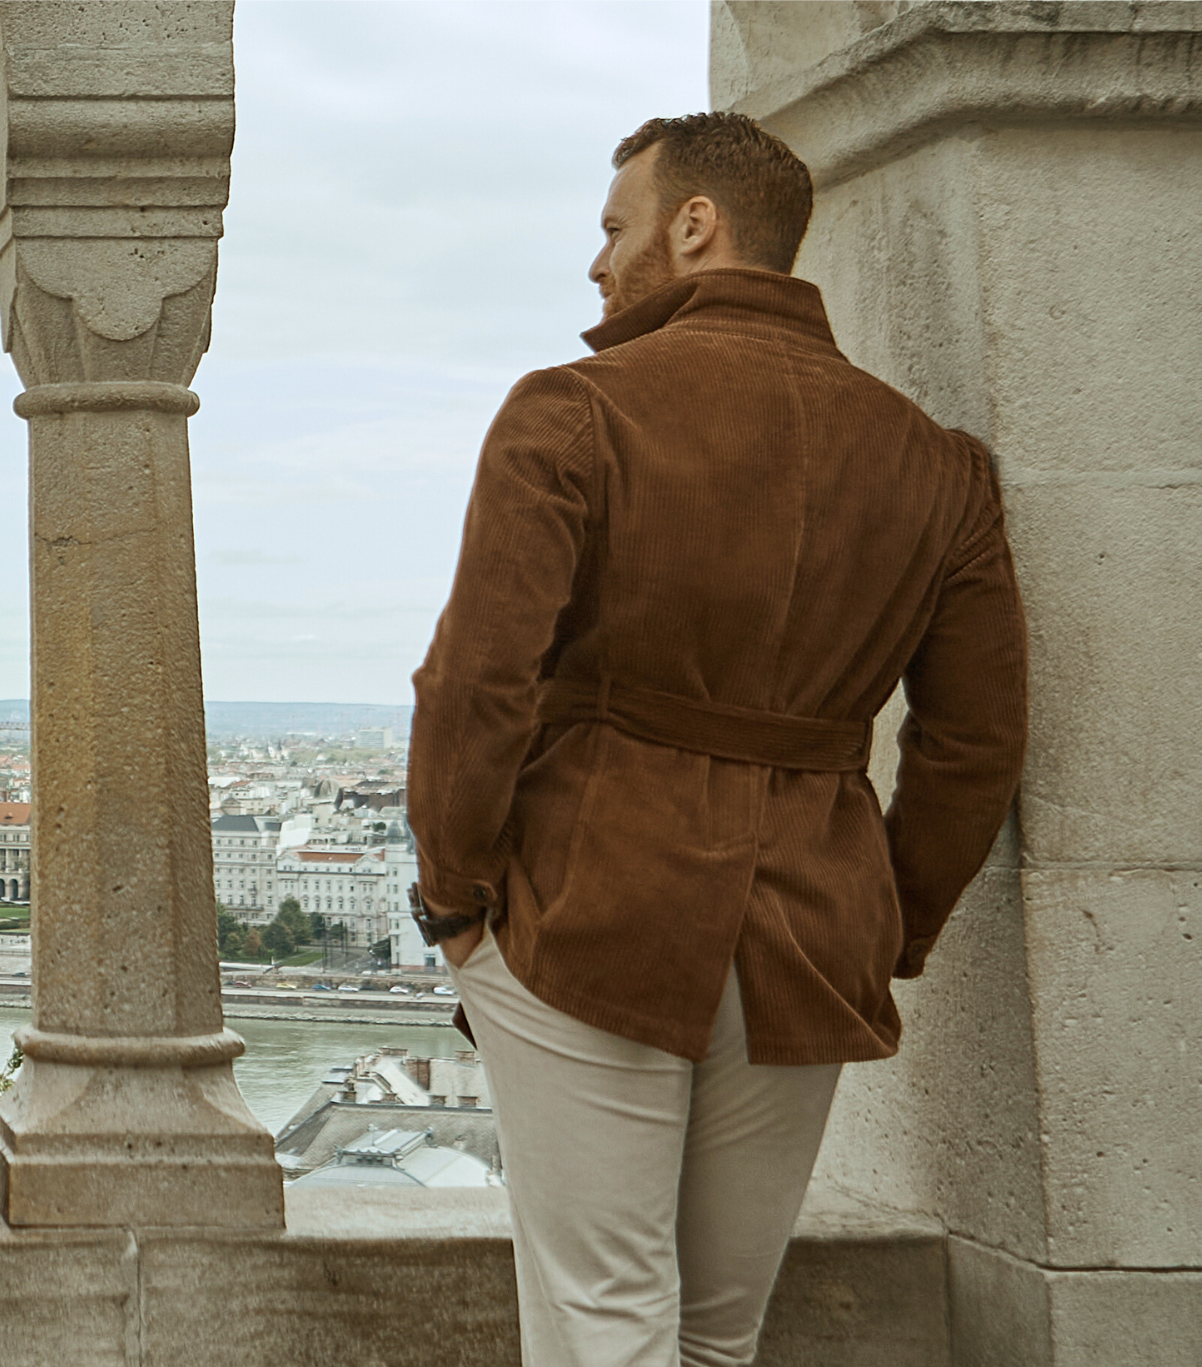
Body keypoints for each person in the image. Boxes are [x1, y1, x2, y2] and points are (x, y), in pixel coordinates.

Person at [406, 112, 1027, 1366]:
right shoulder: (940, 466)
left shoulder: (572, 412)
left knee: (602, 1319)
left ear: (695, 226)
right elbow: (973, 743)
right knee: (710, 1336)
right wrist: (886, 920)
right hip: (813, 924)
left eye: (612, 227)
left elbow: (475, 684)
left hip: (593, 902)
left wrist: (456, 903)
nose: (595, 263)